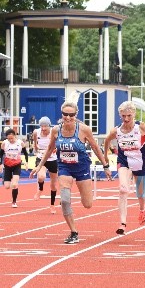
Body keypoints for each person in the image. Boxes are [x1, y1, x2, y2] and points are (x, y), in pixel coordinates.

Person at [30, 101, 108, 244]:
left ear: (75, 115)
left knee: (87, 204)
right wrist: (39, 165)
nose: (68, 117)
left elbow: (96, 148)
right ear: (62, 114)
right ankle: (73, 232)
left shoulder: (84, 129)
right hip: (64, 167)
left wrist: (105, 165)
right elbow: (49, 149)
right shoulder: (56, 130)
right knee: (65, 200)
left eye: (71, 115)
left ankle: (81, 204)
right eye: (65, 114)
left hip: (82, 167)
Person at [104, 101, 145, 235]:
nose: (126, 119)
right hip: (124, 162)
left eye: (129, 115)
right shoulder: (117, 130)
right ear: (120, 115)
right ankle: (122, 223)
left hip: (141, 163)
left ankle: (142, 209)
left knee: (140, 194)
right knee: (123, 189)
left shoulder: (142, 127)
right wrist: (106, 159)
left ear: (134, 114)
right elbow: (106, 141)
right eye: (123, 116)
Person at [32, 117, 59, 213]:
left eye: (45, 126)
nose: (43, 129)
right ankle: (40, 189)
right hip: (41, 158)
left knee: (53, 184)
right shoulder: (36, 132)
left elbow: (59, 143)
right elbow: (35, 140)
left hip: (52, 159)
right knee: (41, 176)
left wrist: (56, 149)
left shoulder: (53, 132)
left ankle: (52, 205)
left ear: (49, 126)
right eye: (41, 126)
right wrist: (35, 146)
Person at [1, 128, 29, 208]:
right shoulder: (4, 143)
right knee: (7, 186)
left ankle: (14, 202)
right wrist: (0, 164)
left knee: (15, 184)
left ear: (15, 136)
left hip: (17, 164)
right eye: (9, 138)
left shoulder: (20, 143)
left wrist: (26, 162)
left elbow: (26, 153)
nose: (10, 140)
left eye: (12, 138)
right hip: (7, 165)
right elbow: (1, 154)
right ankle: (5, 179)